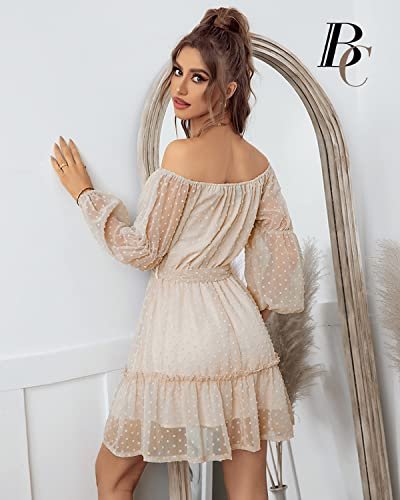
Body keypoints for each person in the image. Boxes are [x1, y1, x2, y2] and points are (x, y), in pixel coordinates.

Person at [50, 7, 305, 500]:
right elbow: (279, 262)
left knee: (113, 475)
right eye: (177, 71)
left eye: (198, 77)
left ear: (228, 89)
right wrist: (245, 311)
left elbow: (143, 249)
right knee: (248, 488)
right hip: (241, 333)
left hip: (179, 331)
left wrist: (85, 194)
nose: (180, 88)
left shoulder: (180, 155)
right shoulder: (259, 165)